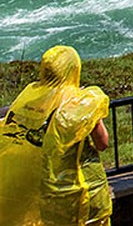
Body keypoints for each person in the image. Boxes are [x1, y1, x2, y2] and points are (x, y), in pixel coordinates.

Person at [1, 45, 110, 226]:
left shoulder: (28, 100)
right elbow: (102, 143)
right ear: (75, 70)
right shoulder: (80, 104)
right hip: (84, 189)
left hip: (48, 192)